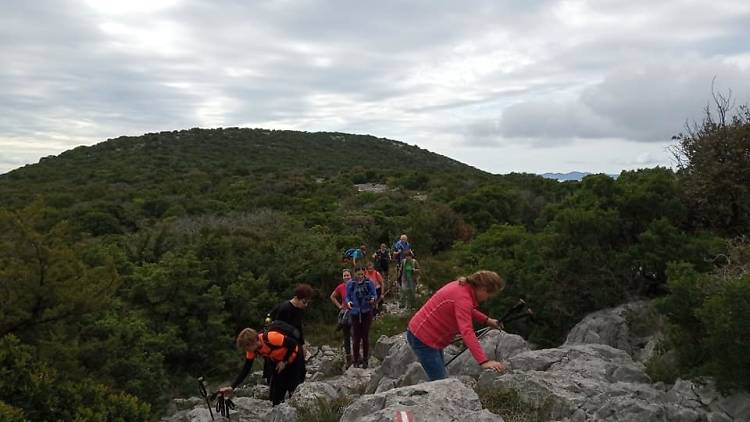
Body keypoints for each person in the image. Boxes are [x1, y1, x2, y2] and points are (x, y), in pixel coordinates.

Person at [406, 270, 507, 381]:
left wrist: (486, 320)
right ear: (482, 289)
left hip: (425, 335)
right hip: (423, 339)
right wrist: (484, 361)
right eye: (488, 294)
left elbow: (466, 309)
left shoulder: (462, 287)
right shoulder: (463, 298)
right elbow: (466, 331)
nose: (487, 298)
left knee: (441, 377)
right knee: (442, 383)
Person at [220, 327, 300, 405]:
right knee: (275, 397)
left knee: (293, 389)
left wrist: (284, 361)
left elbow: (293, 344)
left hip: (295, 358)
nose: (246, 350)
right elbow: (246, 369)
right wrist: (232, 387)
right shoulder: (252, 351)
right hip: (278, 362)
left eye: (246, 348)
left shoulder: (271, 337)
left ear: (252, 342)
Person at [263, 284, 312, 388]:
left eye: (307, 302)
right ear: (296, 298)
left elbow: (298, 327)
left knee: (299, 371)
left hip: (293, 340)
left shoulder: (299, 309)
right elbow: (275, 330)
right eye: (304, 302)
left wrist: (302, 344)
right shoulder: (284, 309)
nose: (306, 305)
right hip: (281, 343)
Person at [345, 265, 378, 368]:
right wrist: (348, 302)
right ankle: (355, 360)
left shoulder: (369, 283)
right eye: (358, 274)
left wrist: (372, 299)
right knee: (356, 337)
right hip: (355, 312)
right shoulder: (351, 284)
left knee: (365, 337)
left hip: (366, 311)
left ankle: (365, 360)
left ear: (364, 273)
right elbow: (347, 296)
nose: (360, 276)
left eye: (361, 274)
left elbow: (374, 294)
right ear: (354, 274)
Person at [329, 270, 354, 367]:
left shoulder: (355, 285)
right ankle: (349, 359)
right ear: (343, 277)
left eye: (348, 275)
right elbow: (332, 296)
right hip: (345, 313)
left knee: (355, 334)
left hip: (354, 312)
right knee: (346, 336)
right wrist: (339, 306)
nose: (346, 277)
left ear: (351, 276)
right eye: (345, 275)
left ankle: (357, 356)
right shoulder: (340, 287)